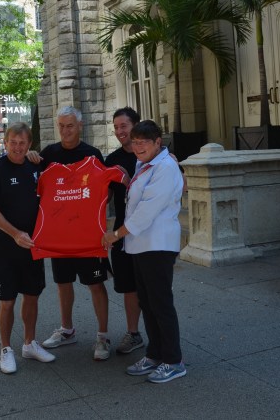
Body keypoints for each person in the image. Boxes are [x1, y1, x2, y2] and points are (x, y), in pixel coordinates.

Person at [101, 120, 187, 384]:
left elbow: (145, 212)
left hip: (157, 245)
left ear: (158, 142)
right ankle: (155, 354)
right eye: (135, 142)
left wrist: (116, 234)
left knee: (160, 304)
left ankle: (173, 361)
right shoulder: (145, 163)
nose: (138, 147)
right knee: (147, 304)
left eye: (144, 143)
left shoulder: (166, 167)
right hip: (141, 246)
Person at [27, 105, 113, 361]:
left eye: (70, 126)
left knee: (95, 284)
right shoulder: (49, 154)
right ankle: (67, 330)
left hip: (87, 237)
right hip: (60, 237)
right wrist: (30, 157)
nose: (65, 131)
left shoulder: (92, 154)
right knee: (63, 284)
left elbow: (104, 193)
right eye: (61, 126)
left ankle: (103, 336)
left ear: (80, 126)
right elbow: (33, 181)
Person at [0, 123, 55, 374]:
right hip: (6, 249)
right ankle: (6, 349)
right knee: (7, 301)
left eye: (23, 143)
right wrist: (15, 234)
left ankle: (29, 344)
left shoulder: (36, 166)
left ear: (29, 144)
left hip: (33, 246)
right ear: (5, 142)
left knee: (32, 295)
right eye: (13, 142)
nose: (18, 147)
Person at [104, 107, 144, 354]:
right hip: (121, 231)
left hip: (148, 233)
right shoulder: (112, 160)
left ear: (135, 125)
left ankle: (161, 339)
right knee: (128, 286)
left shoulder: (153, 155)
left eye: (124, 126)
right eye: (116, 127)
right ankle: (133, 333)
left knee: (151, 287)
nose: (120, 131)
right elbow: (104, 198)